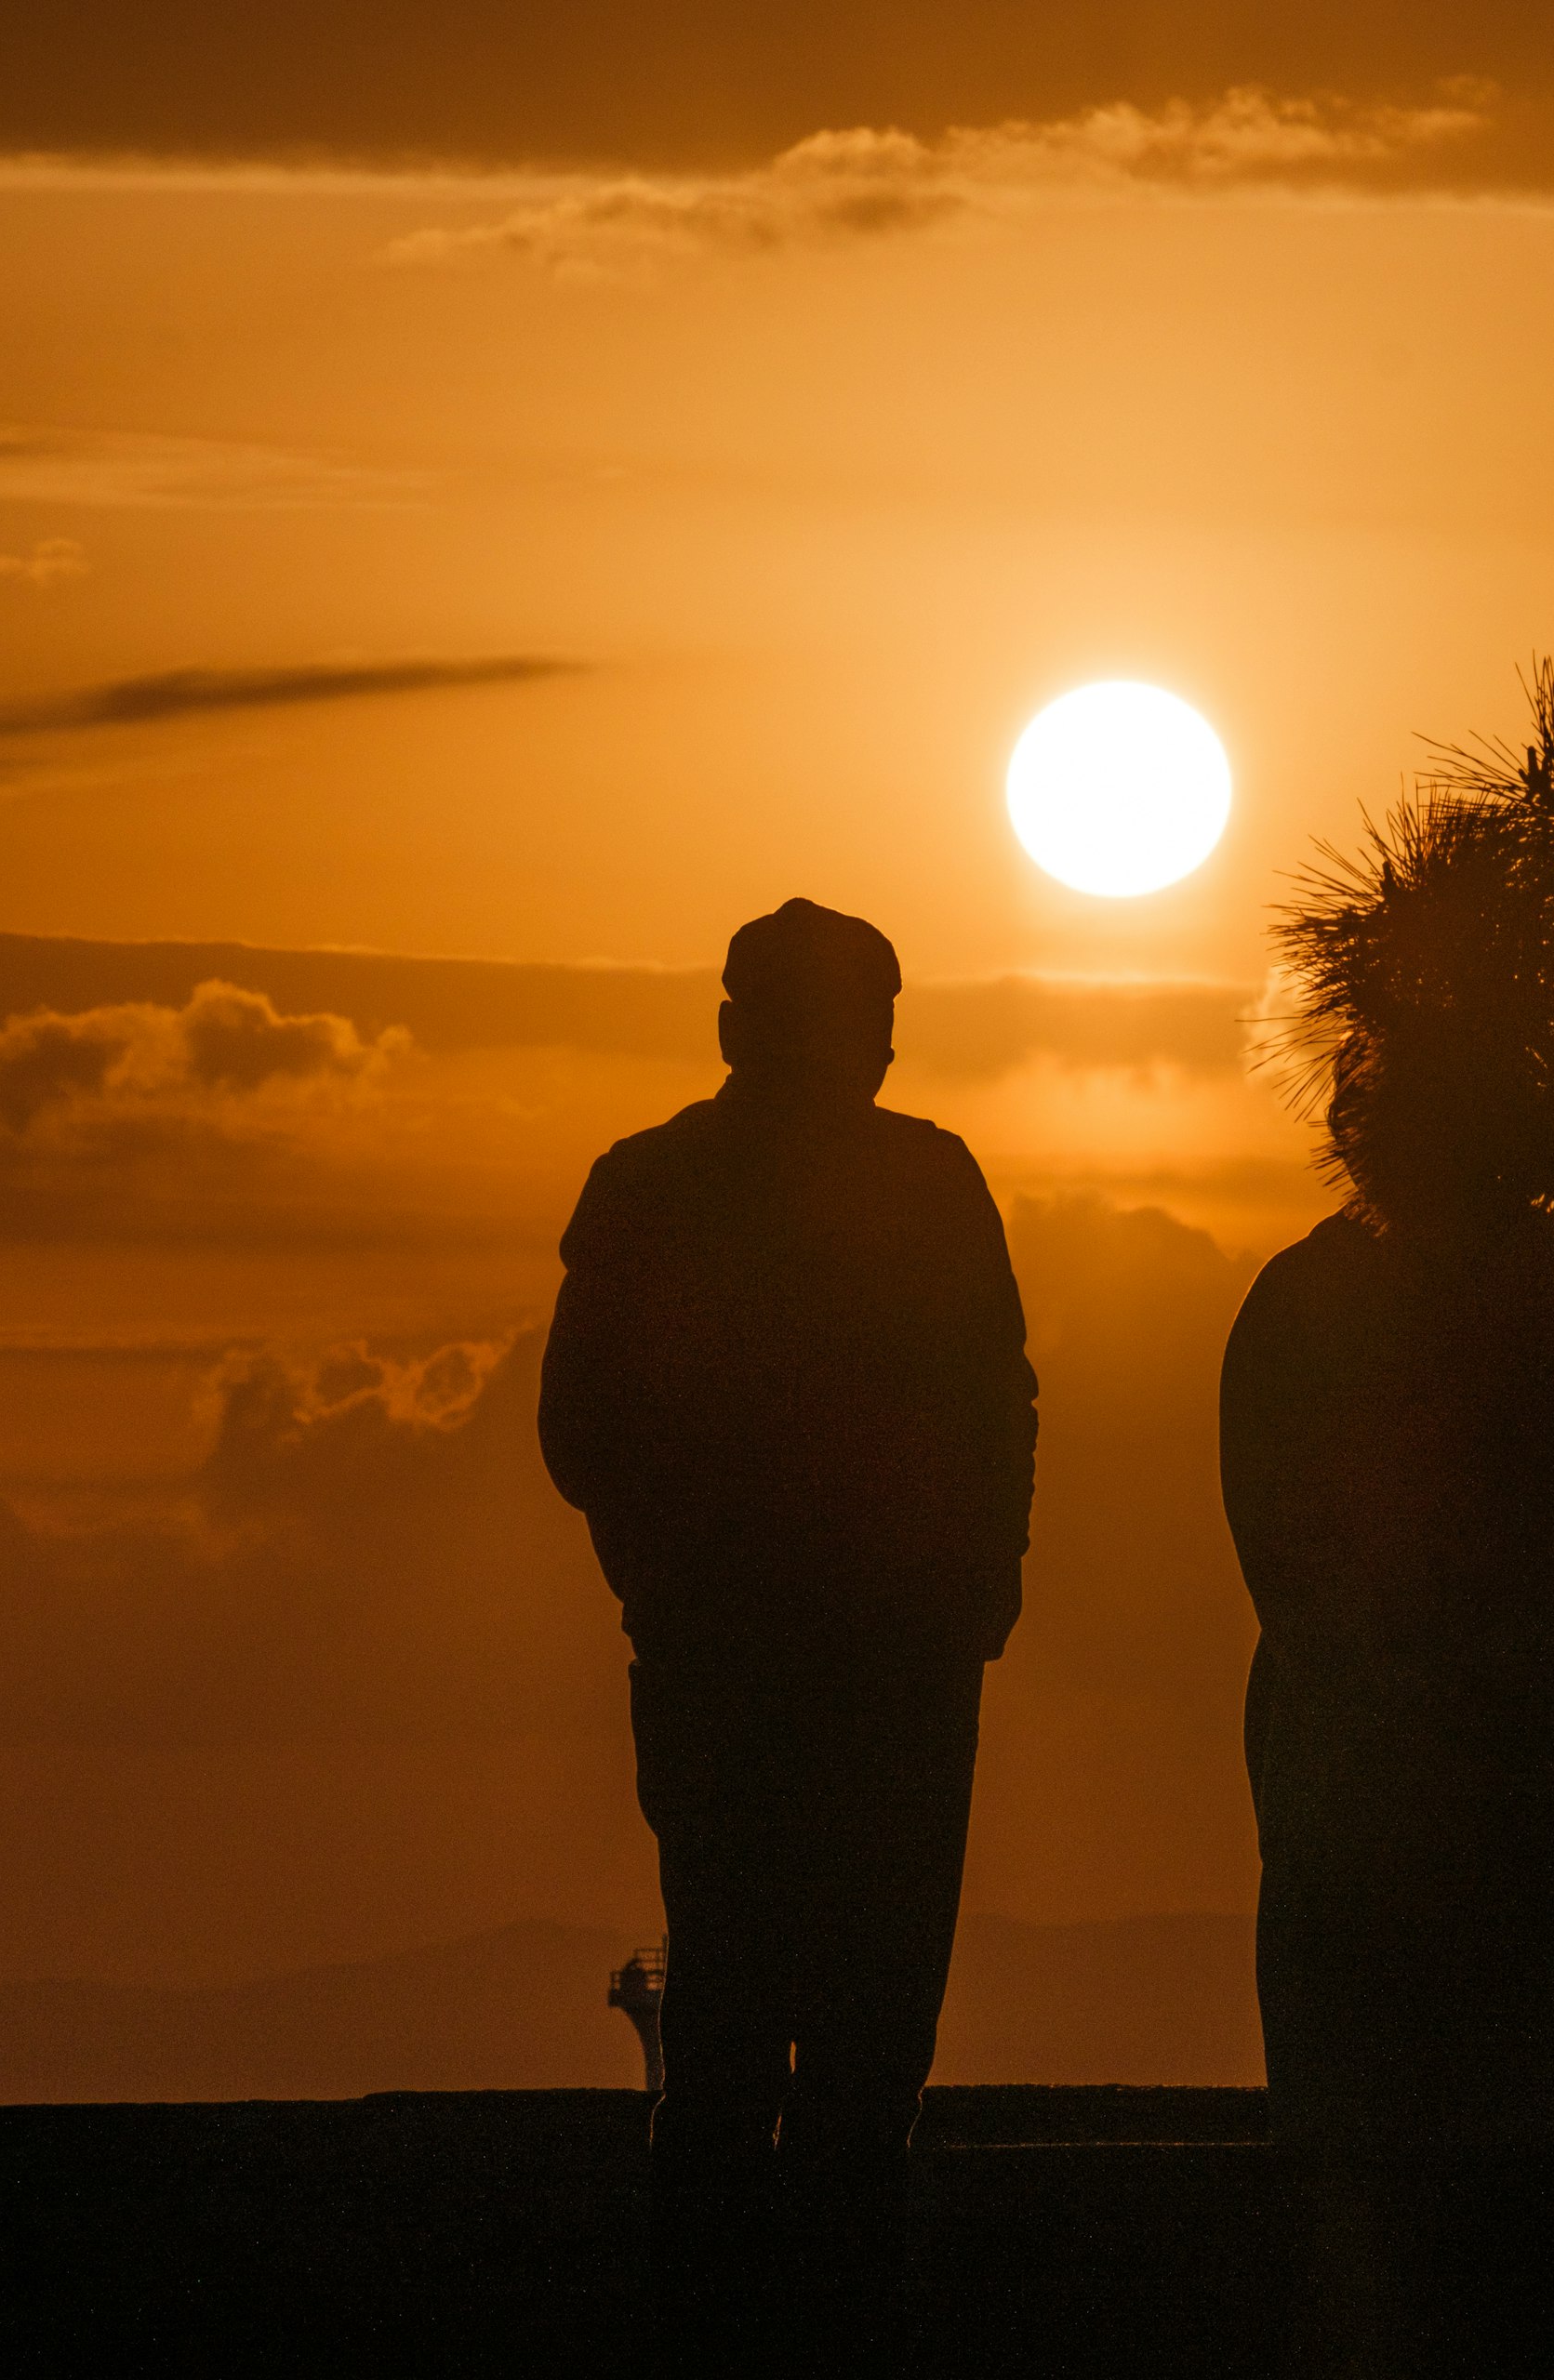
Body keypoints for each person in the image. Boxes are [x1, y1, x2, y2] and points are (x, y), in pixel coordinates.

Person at [538, 897, 1037, 2373]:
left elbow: (994, 1407)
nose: (870, 1053)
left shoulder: (677, 1189)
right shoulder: (695, 1193)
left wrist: (973, 1585)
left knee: (791, 2045)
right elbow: (590, 1434)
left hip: (826, 1668)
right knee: (810, 2047)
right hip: (826, 1672)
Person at [1220, 1024, 1554, 2362]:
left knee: (1385, 2241)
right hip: (1509, 1809)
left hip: (1377, 1812)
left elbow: (1289, 1567)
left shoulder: (1305, 1302)